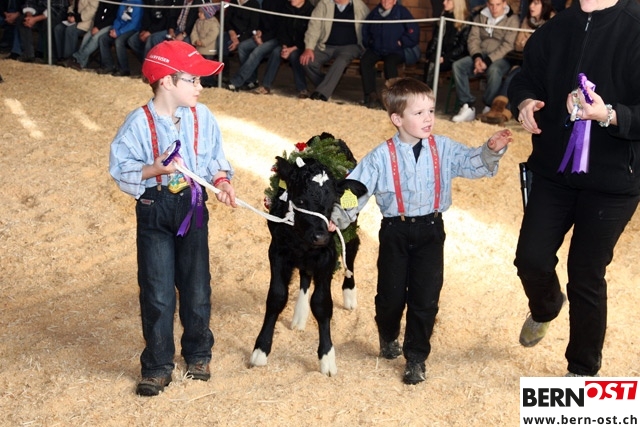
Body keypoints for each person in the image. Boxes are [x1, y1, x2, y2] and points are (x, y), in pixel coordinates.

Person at [347, 77, 512, 385]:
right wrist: (338, 214)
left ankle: (416, 357)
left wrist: (490, 150)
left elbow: (470, 162)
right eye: (419, 113)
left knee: (426, 298)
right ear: (397, 119)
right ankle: (388, 334)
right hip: (395, 232)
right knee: (390, 297)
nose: (428, 119)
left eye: (431, 111)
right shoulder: (381, 156)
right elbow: (356, 188)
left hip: (431, 231)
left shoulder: (443, 147)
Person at [508, 0, 640, 377]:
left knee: (585, 274)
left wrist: (610, 114)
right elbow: (525, 78)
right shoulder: (554, 28)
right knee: (530, 259)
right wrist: (525, 102)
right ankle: (547, 306)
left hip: (613, 180)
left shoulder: (635, 26)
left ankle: (581, 370)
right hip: (553, 171)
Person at [109, 40, 236, 396]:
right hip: (155, 209)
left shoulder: (202, 117)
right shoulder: (138, 122)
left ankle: (198, 354)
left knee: (197, 287)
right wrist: (156, 169)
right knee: (158, 291)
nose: (200, 87)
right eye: (193, 80)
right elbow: (121, 169)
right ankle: (157, 365)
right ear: (166, 81)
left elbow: (214, 159)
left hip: (193, 208)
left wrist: (222, 182)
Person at [480, 0, 554, 125]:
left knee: (516, 75)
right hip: (522, 61)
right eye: (531, 3)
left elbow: (548, 48)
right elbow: (518, 44)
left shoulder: (553, 21)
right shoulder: (527, 20)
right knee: (514, 75)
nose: (531, 6)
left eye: (536, 3)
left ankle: (503, 112)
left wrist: (529, 44)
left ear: (544, 5)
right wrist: (529, 44)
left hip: (541, 66)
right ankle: (498, 110)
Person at [450, 0, 519, 122]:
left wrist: (487, 61)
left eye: (498, 4)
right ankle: (467, 105)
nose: (494, 8)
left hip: (502, 57)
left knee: (494, 70)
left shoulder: (512, 19)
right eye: (491, 5)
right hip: (480, 54)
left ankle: (489, 105)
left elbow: (508, 45)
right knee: (458, 65)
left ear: (504, 4)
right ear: (487, 4)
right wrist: (477, 58)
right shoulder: (480, 16)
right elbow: (473, 39)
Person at [300, 0, 369, 102]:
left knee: (341, 61)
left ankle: (321, 94)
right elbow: (314, 26)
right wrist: (309, 48)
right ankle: (327, 86)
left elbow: (369, 27)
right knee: (307, 61)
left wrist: (366, 46)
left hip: (350, 46)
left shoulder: (360, 6)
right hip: (325, 45)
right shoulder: (323, 4)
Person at [359, 0, 420, 110]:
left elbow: (413, 30)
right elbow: (365, 29)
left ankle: (393, 100)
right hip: (377, 49)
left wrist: (402, 42)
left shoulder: (402, 12)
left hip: (395, 50)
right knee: (365, 61)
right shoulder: (375, 13)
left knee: (390, 64)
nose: (386, 1)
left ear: (394, 1)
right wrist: (369, 42)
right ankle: (371, 95)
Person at [252, 0, 314, 97]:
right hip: (286, 43)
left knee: (295, 56)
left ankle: (302, 88)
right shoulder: (286, 8)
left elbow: (309, 35)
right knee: (276, 52)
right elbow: (281, 30)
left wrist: (292, 49)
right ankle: (266, 85)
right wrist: (284, 46)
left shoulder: (311, 11)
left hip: (302, 45)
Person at [223, 0, 283, 92]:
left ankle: (236, 81)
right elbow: (261, 21)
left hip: (277, 38)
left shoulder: (282, 4)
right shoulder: (265, 2)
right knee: (243, 47)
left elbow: (280, 28)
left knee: (257, 51)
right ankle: (252, 80)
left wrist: (263, 38)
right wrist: (259, 31)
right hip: (264, 35)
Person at [424, 0, 471, 88]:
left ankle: (426, 92)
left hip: (456, 56)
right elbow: (435, 38)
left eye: (448, 0)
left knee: (432, 63)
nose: (444, 2)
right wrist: (429, 54)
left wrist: (445, 58)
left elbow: (462, 47)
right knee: (431, 61)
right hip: (442, 53)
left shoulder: (466, 20)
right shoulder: (444, 16)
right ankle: (427, 91)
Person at [64, 0, 119, 70]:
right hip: (99, 24)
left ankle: (76, 57)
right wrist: (95, 26)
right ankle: (81, 64)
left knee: (96, 38)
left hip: (111, 25)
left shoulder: (117, 2)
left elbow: (113, 18)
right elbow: (98, 13)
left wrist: (98, 27)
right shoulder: (103, 1)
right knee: (86, 37)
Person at [97, 0, 142, 76]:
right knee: (103, 39)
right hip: (121, 28)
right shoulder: (124, 2)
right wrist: (114, 29)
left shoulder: (139, 3)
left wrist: (119, 32)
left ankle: (124, 69)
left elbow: (134, 24)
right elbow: (118, 19)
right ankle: (108, 66)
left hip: (133, 29)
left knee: (119, 41)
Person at [126, 0, 175, 67]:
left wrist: (150, 32)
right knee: (132, 40)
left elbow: (165, 20)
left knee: (150, 40)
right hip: (149, 28)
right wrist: (143, 30)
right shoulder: (148, 1)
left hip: (163, 28)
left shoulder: (169, 2)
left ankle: (147, 65)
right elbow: (146, 16)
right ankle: (147, 62)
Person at [53, 0, 99, 65]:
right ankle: (60, 57)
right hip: (74, 19)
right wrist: (70, 14)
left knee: (70, 31)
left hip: (86, 21)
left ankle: (69, 59)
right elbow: (72, 6)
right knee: (58, 29)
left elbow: (92, 10)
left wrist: (77, 18)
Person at [190, 3, 220, 87]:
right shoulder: (198, 21)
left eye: (201, 12)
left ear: (207, 14)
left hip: (209, 49)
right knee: (200, 65)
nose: (199, 14)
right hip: (199, 47)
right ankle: (202, 80)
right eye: (199, 12)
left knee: (208, 66)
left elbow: (212, 35)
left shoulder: (214, 23)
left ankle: (209, 81)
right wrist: (196, 40)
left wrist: (203, 42)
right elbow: (194, 32)